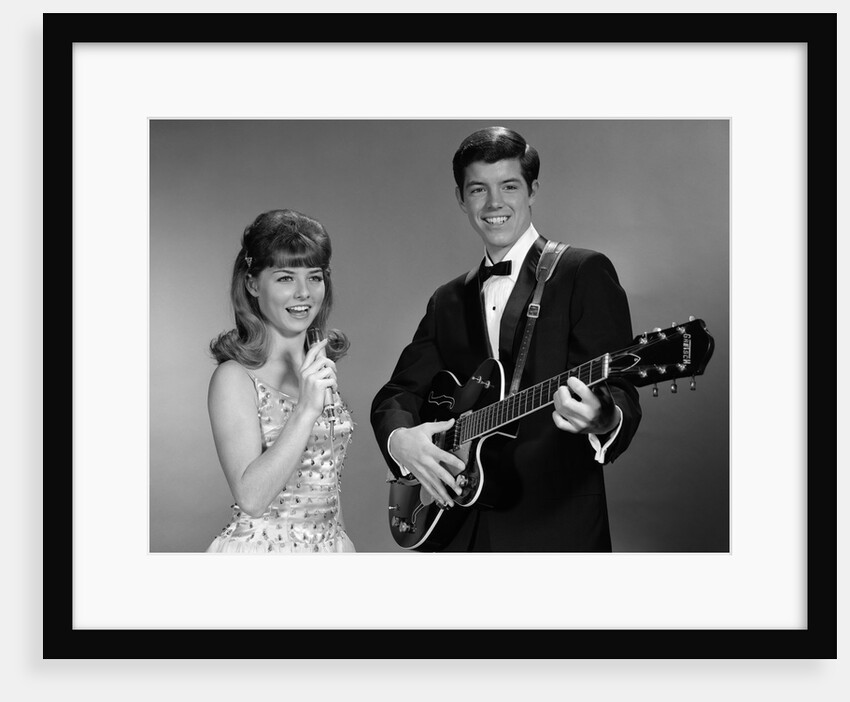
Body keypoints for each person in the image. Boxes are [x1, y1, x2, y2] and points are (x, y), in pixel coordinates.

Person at [370, 126, 642, 552]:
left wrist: (604, 418)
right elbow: (398, 394)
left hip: (555, 527)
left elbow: (620, 390)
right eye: (478, 189)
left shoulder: (583, 272)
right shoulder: (447, 299)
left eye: (509, 186)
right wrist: (400, 442)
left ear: (532, 190)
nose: (494, 204)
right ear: (461, 199)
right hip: (458, 529)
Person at [206, 208, 356, 553]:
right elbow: (252, 498)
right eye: (286, 278)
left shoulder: (319, 364)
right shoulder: (234, 377)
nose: (304, 292)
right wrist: (305, 408)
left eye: (314, 277)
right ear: (253, 284)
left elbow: (326, 478)